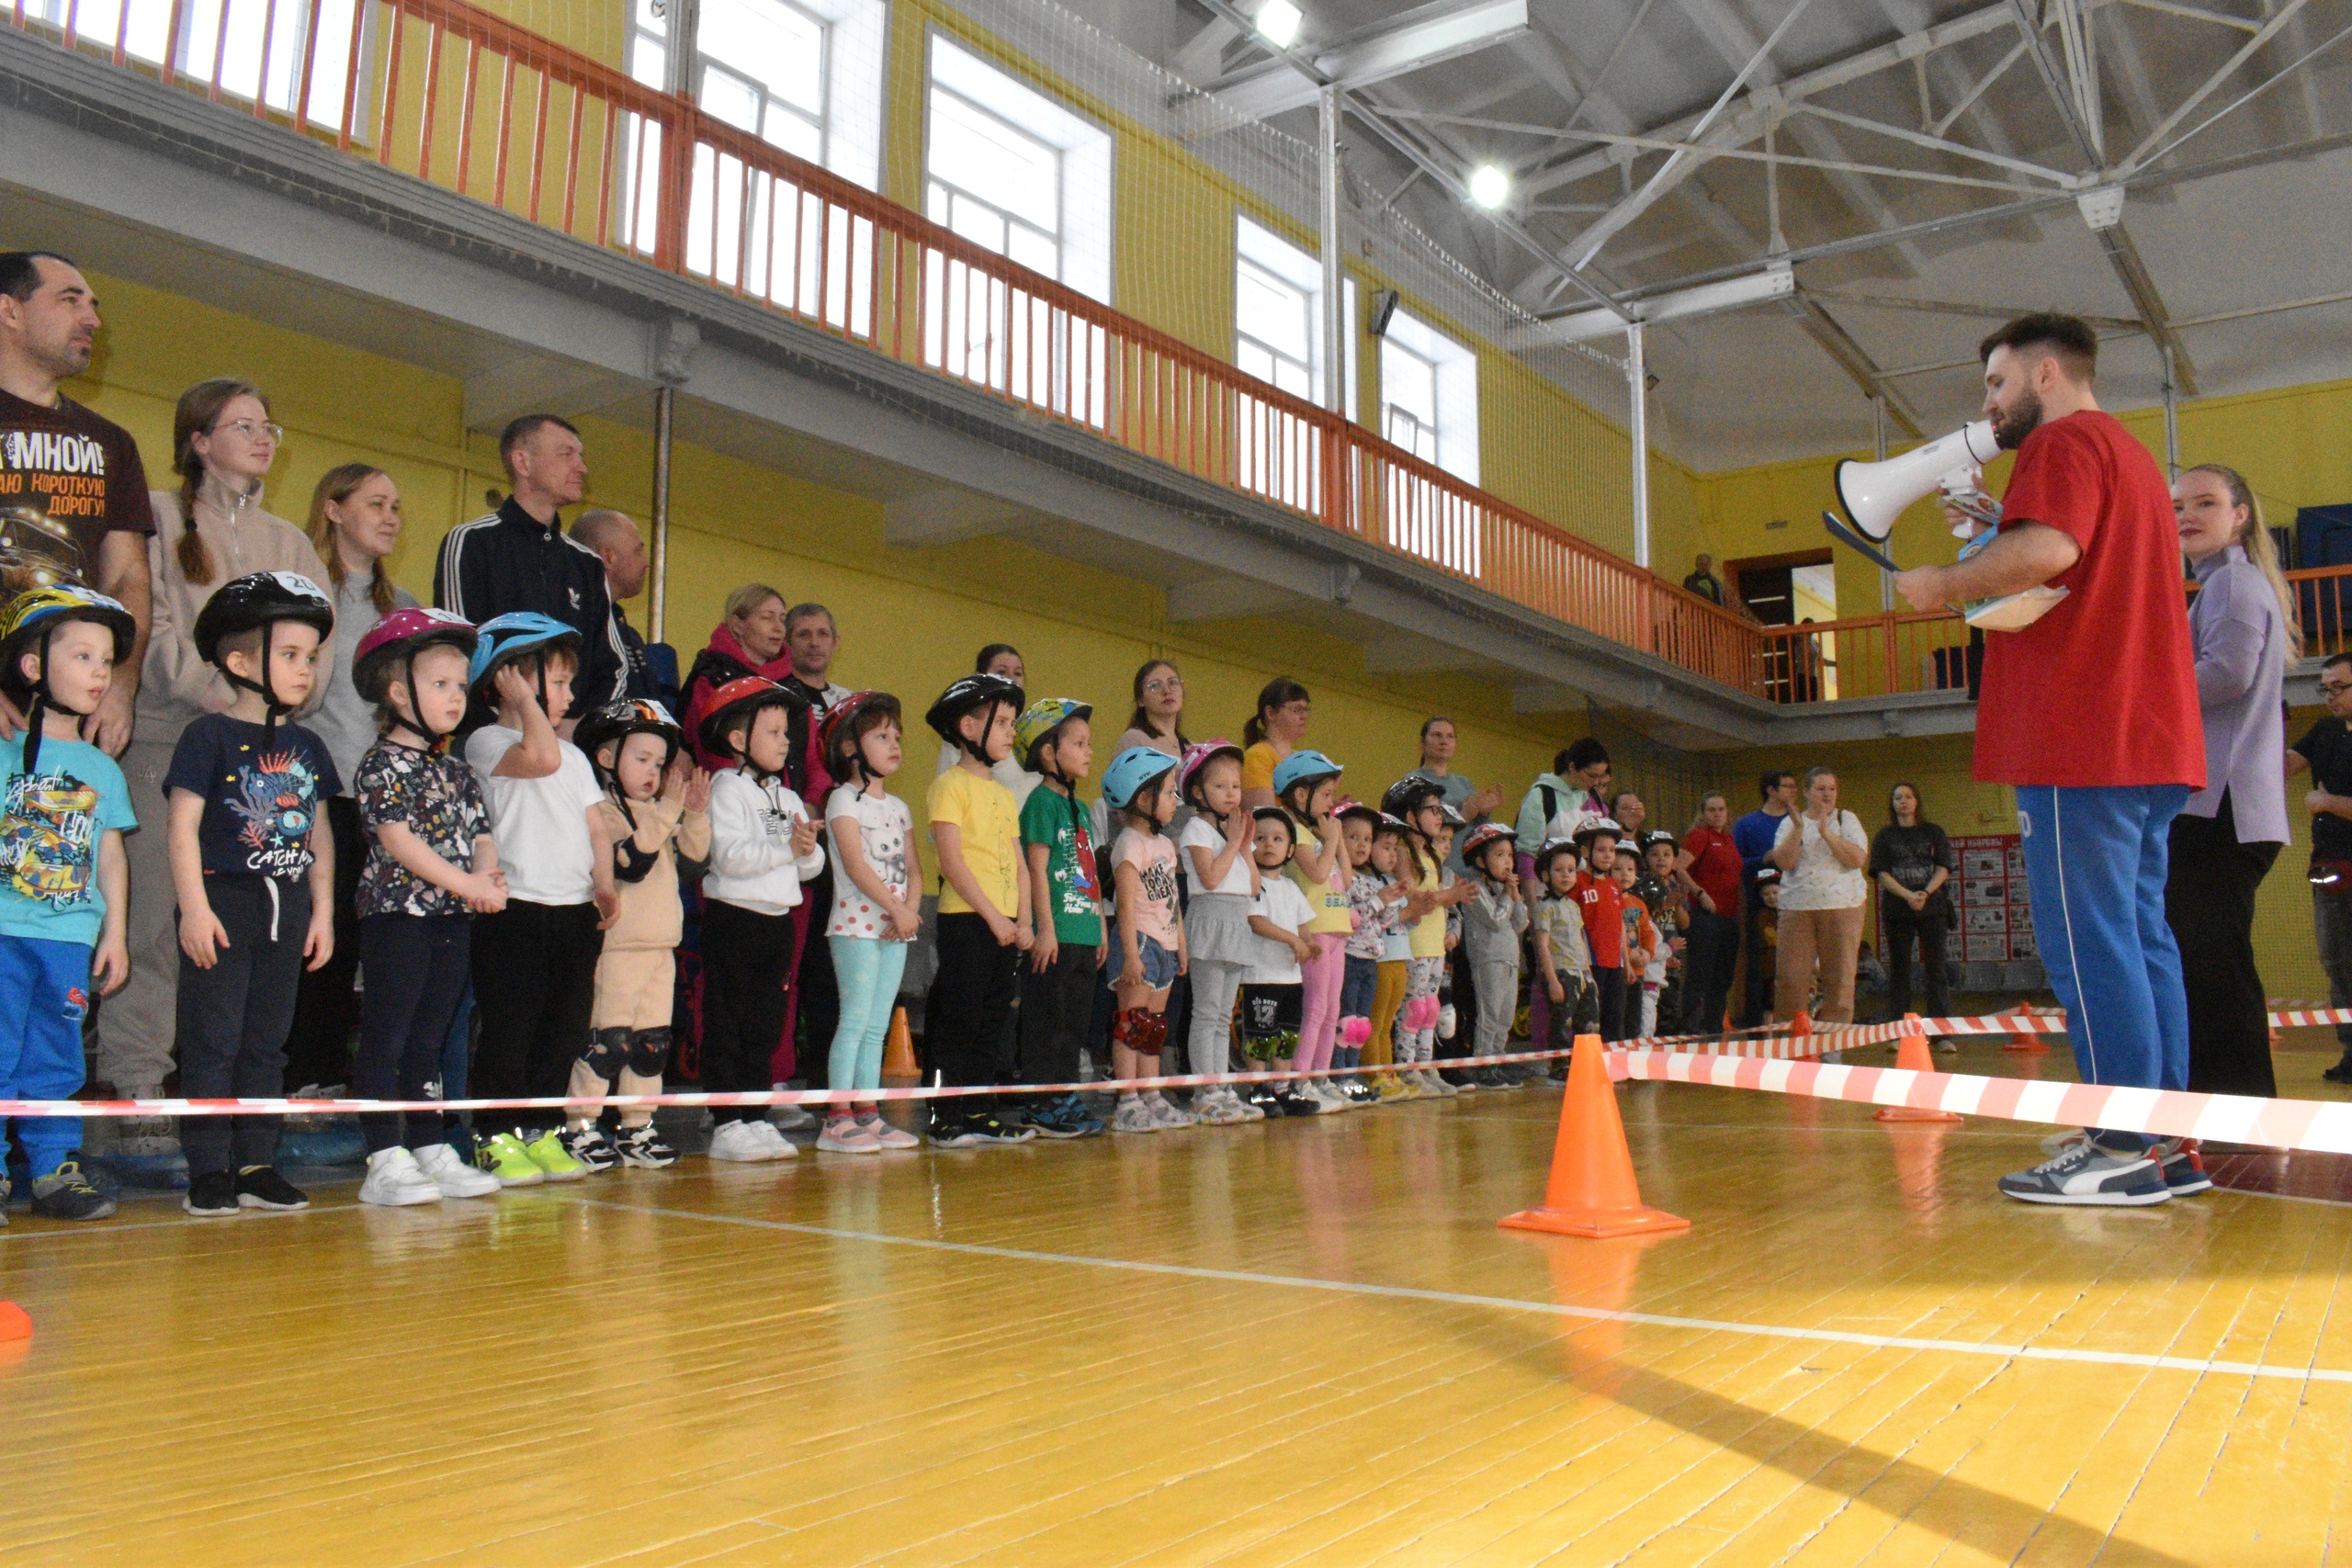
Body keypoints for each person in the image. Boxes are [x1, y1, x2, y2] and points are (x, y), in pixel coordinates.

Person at [1894, 313, 2205, 1207]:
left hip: (2082, 735)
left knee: (2087, 943)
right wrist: (2001, 523)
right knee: (2140, 939)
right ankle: (2162, 1137)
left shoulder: (2061, 441)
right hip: (2144, 737)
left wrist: (1942, 584)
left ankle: (2117, 1141)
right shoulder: (2128, 455)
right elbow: (2073, 553)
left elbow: (2050, 553)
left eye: (1995, 385)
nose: (1988, 407)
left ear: (2043, 374)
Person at [106, 378, 329, 1177]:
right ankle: (137, 1086)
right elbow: (147, 622)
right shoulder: (162, 520)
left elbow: (318, 647)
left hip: (265, 764)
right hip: (170, 741)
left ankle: (232, 1120)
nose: (263, 436)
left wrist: (267, 707)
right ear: (198, 439)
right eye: (243, 425)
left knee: (244, 941)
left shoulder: (290, 543)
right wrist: (218, 696)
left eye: (268, 424)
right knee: (158, 920)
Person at [166, 572, 340, 1218]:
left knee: (268, 1042)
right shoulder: (205, 737)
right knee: (214, 1040)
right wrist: (195, 907)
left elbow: (319, 833)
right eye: (290, 655)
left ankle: (258, 1162)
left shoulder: (308, 745)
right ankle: (209, 1168)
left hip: (286, 906)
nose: (305, 670)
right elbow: (181, 826)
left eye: (311, 658)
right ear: (240, 662)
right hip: (224, 904)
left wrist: (322, 910)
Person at [345, 608, 508, 1206]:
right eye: (440, 684)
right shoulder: (381, 764)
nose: (455, 697)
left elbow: (481, 831)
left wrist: (488, 873)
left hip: (451, 920)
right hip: (398, 918)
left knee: (432, 1034)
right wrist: (469, 885)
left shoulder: (458, 769)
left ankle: (428, 1142)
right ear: (398, 691)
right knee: (388, 1034)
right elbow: (398, 841)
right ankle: (383, 1155)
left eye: (461, 686)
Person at [461, 614, 615, 1186]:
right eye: (556, 681)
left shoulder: (575, 758)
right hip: (516, 911)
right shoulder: (486, 741)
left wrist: (603, 884)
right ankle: (495, 1135)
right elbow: (541, 757)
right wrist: (525, 701)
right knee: (512, 1028)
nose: (570, 695)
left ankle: (543, 1130)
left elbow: (596, 826)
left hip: (573, 913)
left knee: (563, 1029)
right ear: (509, 681)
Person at [0, 585, 137, 1221]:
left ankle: (55, 1168)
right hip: (5, 932)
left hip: (68, 939)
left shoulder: (102, 767)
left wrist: (114, 933)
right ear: (33, 666)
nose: (100, 671)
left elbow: (111, 857)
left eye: (106, 659)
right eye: (82, 655)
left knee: (55, 1054)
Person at [285, 464, 418, 1107]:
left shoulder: (407, 609)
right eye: (375, 503)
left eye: (395, 505)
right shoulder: (305, 594)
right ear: (334, 510)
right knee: (321, 938)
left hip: (386, 802)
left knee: (374, 946)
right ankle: (305, 1073)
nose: (391, 515)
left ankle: (345, 1077)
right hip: (319, 794)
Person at [2167, 463, 2294, 1098]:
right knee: (2207, 963)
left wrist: (2139, 687)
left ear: (2240, 513)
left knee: (2214, 967)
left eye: (2205, 502)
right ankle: (2221, 1109)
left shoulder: (2233, 585)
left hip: (2224, 809)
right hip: (2226, 808)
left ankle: (2239, 1114)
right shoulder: (2226, 585)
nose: (2186, 515)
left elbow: (2228, 674)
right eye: (2178, 505)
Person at [0, 253, 154, 759]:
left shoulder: (112, 443)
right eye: (70, 301)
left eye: (92, 305)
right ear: (10, 311)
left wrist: (121, 681)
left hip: (65, 722)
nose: (93, 319)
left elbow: (127, 577)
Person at [569, 699, 708, 1171]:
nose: (654, 772)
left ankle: (637, 1125)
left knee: (652, 1045)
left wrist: (694, 813)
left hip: (661, 947)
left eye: (660, 763)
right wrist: (669, 808)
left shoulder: (659, 811)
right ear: (607, 759)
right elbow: (631, 860)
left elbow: (695, 860)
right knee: (609, 1043)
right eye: (642, 759)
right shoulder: (603, 812)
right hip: (619, 948)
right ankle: (581, 1126)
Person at [695, 676, 822, 1161]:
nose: (785, 740)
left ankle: (756, 1114)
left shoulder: (788, 798)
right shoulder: (727, 788)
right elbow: (729, 857)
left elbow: (810, 867)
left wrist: (807, 852)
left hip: (776, 923)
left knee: (765, 1025)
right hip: (735, 920)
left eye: (787, 732)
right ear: (737, 740)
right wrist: (787, 849)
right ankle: (727, 1121)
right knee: (727, 1020)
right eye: (772, 731)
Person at [433, 414, 627, 708]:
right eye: (566, 454)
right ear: (522, 463)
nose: (582, 467)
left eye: (581, 456)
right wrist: (510, 724)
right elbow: (458, 650)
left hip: (569, 742)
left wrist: (578, 725)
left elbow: (612, 666)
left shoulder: (587, 564)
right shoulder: (471, 543)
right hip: (493, 740)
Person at [922, 672, 1035, 1146]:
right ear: (969, 727)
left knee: (993, 1017)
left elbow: (1019, 863)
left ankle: (979, 1109)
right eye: (1003, 722)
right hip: (967, 921)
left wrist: (1025, 919)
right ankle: (943, 1114)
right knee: (958, 1016)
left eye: (1013, 723)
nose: (1012, 732)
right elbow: (952, 860)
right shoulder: (950, 786)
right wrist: (994, 917)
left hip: (1006, 926)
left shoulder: (1005, 794)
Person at [817, 691, 923, 1154]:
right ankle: (837, 1118)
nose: (894, 742)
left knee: (879, 1024)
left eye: (896, 735)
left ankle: (868, 1113)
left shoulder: (899, 807)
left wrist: (910, 912)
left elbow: (915, 869)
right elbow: (856, 865)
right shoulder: (843, 800)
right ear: (849, 748)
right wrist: (896, 909)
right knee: (855, 1019)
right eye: (881, 735)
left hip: (897, 928)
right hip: (856, 927)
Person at [1013, 697, 1106, 1140]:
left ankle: (1064, 1095)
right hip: (1055, 934)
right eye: (1080, 743)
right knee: (1046, 1021)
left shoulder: (1082, 809)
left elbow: (1088, 870)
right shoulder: (1039, 803)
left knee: (1074, 1022)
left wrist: (1101, 925)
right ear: (1049, 753)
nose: (1089, 751)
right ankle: (1040, 1101)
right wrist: (1043, 928)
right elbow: (1035, 870)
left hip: (1084, 931)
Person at [1103, 747, 1189, 1133]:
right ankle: (1127, 1100)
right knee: (1131, 1023)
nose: (1176, 801)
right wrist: (1130, 958)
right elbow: (1124, 904)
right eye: (1170, 792)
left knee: (1153, 1026)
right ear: (1143, 799)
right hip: (1138, 942)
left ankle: (1151, 1095)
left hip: (1166, 944)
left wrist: (1180, 945)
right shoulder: (1129, 844)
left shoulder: (1166, 846)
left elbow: (1172, 901)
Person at [1178, 739, 1261, 1124]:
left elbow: (1254, 886)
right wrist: (1232, 843)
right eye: (1220, 786)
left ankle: (1222, 1086)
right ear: (1198, 792)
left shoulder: (1231, 837)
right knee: (1207, 1012)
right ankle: (1204, 1091)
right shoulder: (1195, 828)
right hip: (1210, 921)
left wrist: (1244, 846)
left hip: (1236, 922)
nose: (1231, 794)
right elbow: (1210, 878)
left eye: (1236, 786)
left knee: (1224, 1014)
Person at [1385, 777, 1473, 1095]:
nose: (1439, 816)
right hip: (1414, 946)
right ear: (1410, 816)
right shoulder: (1405, 853)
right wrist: (1447, 897)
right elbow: (1413, 903)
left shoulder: (1430, 855)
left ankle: (1426, 1066)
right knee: (1413, 1010)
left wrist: (1447, 897)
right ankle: (1408, 1070)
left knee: (1430, 1009)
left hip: (1434, 946)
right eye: (1431, 809)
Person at [1273, 748, 1350, 1108]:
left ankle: (1321, 1077)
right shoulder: (1299, 835)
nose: (1330, 802)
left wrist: (1337, 833)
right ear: (1300, 795)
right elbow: (1317, 873)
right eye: (1325, 794)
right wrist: (1332, 839)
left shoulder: (1322, 832)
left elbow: (1345, 879)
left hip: (1338, 931)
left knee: (1333, 1010)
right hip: (1315, 931)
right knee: (1316, 1008)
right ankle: (1299, 1081)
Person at [2290, 655, 2352, 1082]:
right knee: (2337, 960)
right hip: (2331, 869)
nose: (2329, 696)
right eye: (2324, 688)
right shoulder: (2325, 732)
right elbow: (2280, 767)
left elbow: (2325, 800)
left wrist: (2327, 803)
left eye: (2338, 687)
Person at [1768, 768, 1868, 1026]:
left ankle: (1832, 1043)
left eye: (1832, 789)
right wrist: (1800, 828)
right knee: (1791, 977)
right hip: (1798, 907)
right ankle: (1791, 1040)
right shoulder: (1790, 822)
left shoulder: (1847, 819)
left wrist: (1827, 833)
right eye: (1820, 789)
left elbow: (1856, 859)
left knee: (1840, 978)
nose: (1827, 794)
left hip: (1843, 906)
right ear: (1806, 792)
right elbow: (1785, 863)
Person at [1241, 807, 1320, 1117]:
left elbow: (1303, 924)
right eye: (1260, 838)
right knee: (1261, 1034)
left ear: (1290, 849)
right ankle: (1258, 1089)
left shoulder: (1291, 887)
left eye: (1277, 838)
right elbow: (1256, 921)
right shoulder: (1252, 883)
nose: (1268, 844)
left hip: (1290, 978)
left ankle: (1281, 1087)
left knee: (1286, 1035)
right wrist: (1293, 940)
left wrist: (1309, 943)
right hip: (1260, 975)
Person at [571, 508, 678, 712]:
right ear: (608, 557)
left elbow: (652, 711)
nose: (646, 563)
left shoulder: (628, 635)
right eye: (638, 551)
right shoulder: (575, 628)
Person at [1871, 784, 1955, 1026]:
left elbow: (1943, 867)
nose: (1903, 802)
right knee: (1899, 971)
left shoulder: (1933, 832)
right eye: (1898, 797)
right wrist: (1908, 895)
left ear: (1916, 801)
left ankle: (1940, 1031)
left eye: (1908, 797)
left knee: (1936, 970)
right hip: (1897, 910)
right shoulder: (1884, 836)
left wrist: (1925, 893)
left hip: (1933, 908)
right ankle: (1899, 1028)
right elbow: (1881, 873)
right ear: (1893, 803)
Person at [1334, 798, 1399, 1106]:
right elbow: (1349, 917)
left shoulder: (1368, 881)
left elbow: (1382, 922)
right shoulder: (1340, 878)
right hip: (1348, 958)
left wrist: (1389, 900)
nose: (1361, 845)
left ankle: (1353, 1075)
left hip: (1370, 960)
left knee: (1361, 1025)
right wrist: (1377, 902)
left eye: (1367, 839)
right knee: (1345, 1022)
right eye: (1353, 837)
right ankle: (1339, 1077)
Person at [1455, 822, 1528, 1089]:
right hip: (1487, 960)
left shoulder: (1503, 891)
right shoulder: (1475, 889)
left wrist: (1516, 897)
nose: (1507, 862)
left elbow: (1520, 924)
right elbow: (1495, 921)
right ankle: (1483, 1064)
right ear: (1481, 861)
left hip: (1510, 959)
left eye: (1510, 855)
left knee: (1506, 1017)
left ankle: (1498, 1062)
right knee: (1490, 1015)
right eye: (1499, 855)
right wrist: (1508, 897)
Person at [1733, 770, 1798, 1028]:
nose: (1794, 791)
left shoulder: (1798, 822)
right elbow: (1734, 862)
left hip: (1794, 900)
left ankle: (1793, 1019)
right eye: (1788, 786)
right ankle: (1757, 1025)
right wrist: (1764, 859)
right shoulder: (1747, 824)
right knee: (1759, 966)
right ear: (1771, 790)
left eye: (1795, 786)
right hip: (1757, 902)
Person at [933, 645, 1035, 801]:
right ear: (980, 676)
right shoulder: (966, 731)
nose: (1011, 679)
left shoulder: (1031, 730)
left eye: (1018, 673)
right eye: (1001, 672)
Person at [1675, 793, 1741, 1034]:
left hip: (1729, 917)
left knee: (1723, 976)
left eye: (1721, 809)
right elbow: (1679, 868)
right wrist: (1700, 893)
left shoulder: (1728, 839)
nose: (1717, 814)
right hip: (1705, 917)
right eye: (1712, 810)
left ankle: (1713, 1027)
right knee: (1700, 973)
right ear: (1703, 812)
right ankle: (1689, 1028)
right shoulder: (1699, 836)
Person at [1365, 814, 1421, 1100]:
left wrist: (1418, 905)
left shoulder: (1391, 881)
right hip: (1379, 961)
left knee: (1388, 1023)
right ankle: (1373, 1075)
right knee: (1374, 1022)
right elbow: (1380, 920)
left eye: (1395, 848)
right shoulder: (1363, 881)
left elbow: (1409, 922)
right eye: (1385, 847)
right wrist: (1409, 910)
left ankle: (1389, 1074)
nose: (1392, 854)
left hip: (1400, 958)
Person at [1532, 838, 1594, 1072]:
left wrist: (1589, 974)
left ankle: (1585, 1068)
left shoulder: (1574, 907)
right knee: (1562, 1024)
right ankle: (1560, 1069)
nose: (1566, 875)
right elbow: (1542, 946)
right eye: (1558, 870)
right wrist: (1552, 979)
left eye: (1570, 870)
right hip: (1561, 973)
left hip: (1582, 974)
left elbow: (1581, 940)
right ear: (1546, 875)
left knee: (1589, 1024)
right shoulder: (1544, 907)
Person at [1572, 818, 1630, 1041]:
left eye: (1612, 850)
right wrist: (1583, 963)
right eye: (1601, 850)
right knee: (1589, 1016)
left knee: (1614, 1015)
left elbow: (1621, 925)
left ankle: (1613, 1062)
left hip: (1615, 963)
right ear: (1586, 852)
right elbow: (1574, 925)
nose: (1608, 855)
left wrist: (1626, 961)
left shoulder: (1614, 885)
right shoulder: (1578, 882)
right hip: (1591, 963)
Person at [1238, 676, 1310, 812]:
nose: (1304, 716)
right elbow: (1263, 814)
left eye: (1305, 709)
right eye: (1296, 709)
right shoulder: (1257, 756)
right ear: (1270, 713)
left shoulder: (1301, 758)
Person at [1115, 660, 1187, 760]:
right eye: (1155, 685)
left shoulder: (1192, 749)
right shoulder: (1134, 740)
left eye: (1173, 682)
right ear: (1140, 700)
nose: (1167, 691)